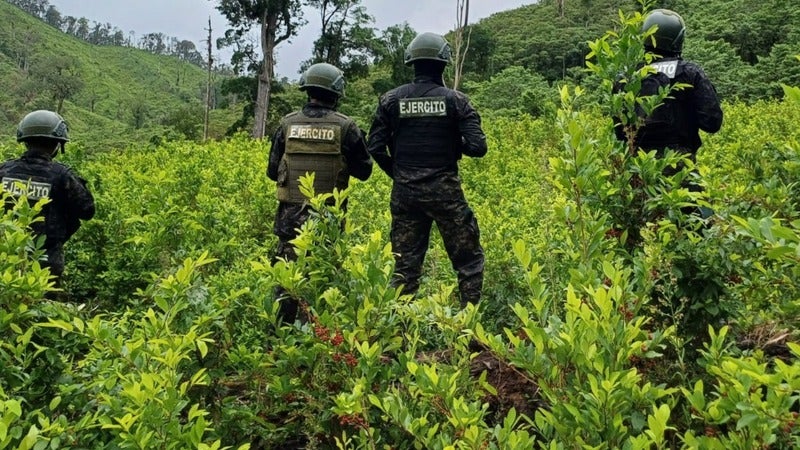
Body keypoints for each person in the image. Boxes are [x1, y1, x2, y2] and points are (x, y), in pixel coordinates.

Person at [366, 32, 488, 308]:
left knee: (405, 267)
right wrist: (453, 142)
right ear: (444, 63)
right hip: (445, 193)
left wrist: (399, 174)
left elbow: (375, 147)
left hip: (405, 195)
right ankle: (469, 322)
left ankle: (400, 326)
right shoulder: (457, 101)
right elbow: (478, 147)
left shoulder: (390, 100)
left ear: (412, 63)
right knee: (468, 261)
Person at [267, 62, 373, 324]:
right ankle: (317, 334)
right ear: (336, 93)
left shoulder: (287, 125)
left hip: (290, 220)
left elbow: (272, 171)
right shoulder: (346, 127)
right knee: (323, 282)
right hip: (328, 221)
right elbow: (364, 171)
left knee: (287, 281)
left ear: (308, 90)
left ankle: (281, 334)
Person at [616, 8, 723, 179]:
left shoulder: (626, 77)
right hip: (679, 165)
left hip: (636, 168)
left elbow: (619, 131)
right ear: (678, 40)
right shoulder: (690, 73)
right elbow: (712, 123)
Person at [0, 110, 95, 287]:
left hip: (7, 255)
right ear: (57, 144)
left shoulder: (4, 170)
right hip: (46, 260)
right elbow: (87, 211)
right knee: (44, 301)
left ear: (25, 141)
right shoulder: (62, 176)